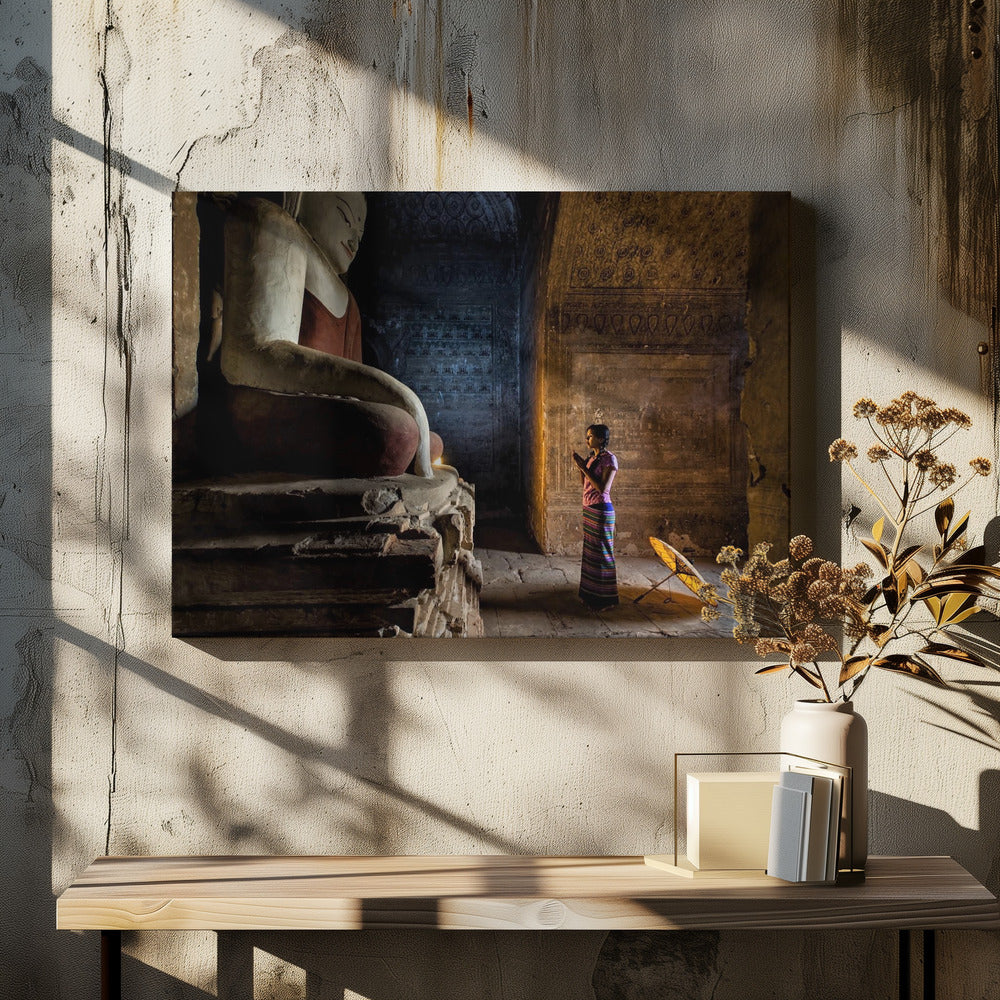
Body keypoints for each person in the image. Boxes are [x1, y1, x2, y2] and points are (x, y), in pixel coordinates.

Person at [217, 192, 438, 477]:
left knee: (421, 439)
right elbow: (252, 355)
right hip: (270, 399)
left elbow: (353, 390)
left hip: (329, 407)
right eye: (345, 218)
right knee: (398, 435)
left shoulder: (350, 302)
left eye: (360, 231)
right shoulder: (277, 227)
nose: (355, 240)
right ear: (302, 196)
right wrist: (399, 395)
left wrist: (393, 400)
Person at [571, 423, 619, 609]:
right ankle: (590, 595)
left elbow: (602, 488)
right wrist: (581, 467)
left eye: (590, 436)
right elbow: (585, 484)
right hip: (590, 509)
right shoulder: (592, 459)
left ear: (600, 438)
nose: (587, 439)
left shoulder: (610, 459)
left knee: (603, 554)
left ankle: (606, 599)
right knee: (591, 554)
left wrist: (583, 467)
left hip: (602, 510)